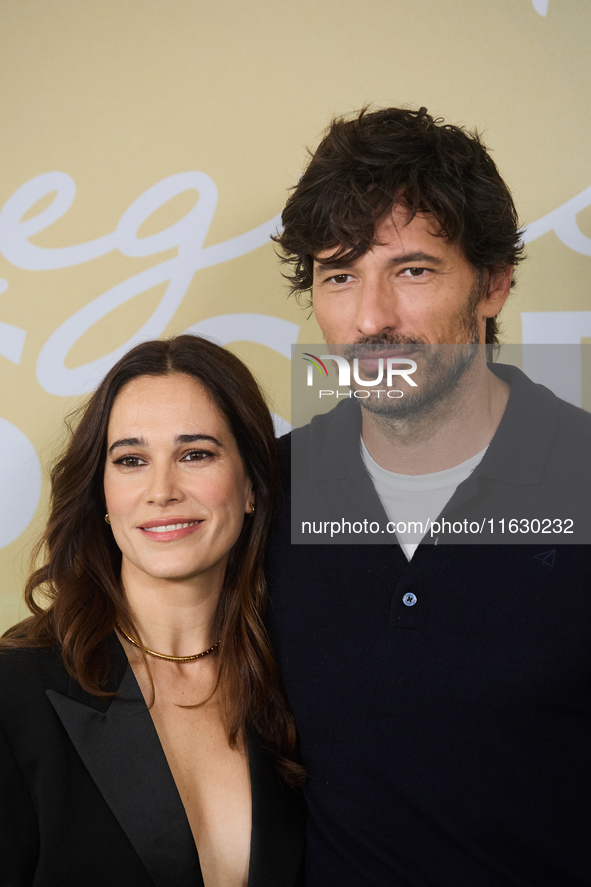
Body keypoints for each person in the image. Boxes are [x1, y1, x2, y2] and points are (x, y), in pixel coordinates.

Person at [268, 107, 591, 885]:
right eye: (338, 276)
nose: (370, 318)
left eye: (411, 270)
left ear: (493, 283)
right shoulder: (268, 487)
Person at [0, 335, 305, 887]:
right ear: (103, 495)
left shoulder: (298, 682)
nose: (161, 490)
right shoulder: (13, 692)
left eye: (196, 454)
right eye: (131, 460)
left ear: (252, 486)